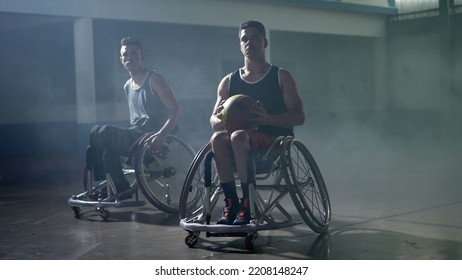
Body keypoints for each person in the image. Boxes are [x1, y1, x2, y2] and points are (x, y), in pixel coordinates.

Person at [210, 20, 305, 225]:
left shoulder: (281, 76)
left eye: (255, 38)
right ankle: (231, 203)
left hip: (273, 143)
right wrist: (217, 120)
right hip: (240, 144)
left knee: (238, 136)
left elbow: (299, 116)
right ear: (240, 45)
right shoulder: (228, 81)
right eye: (244, 39)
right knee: (217, 138)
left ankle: (247, 205)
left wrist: (268, 118)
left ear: (265, 42)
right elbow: (213, 117)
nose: (249, 42)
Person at [86, 37, 181, 200]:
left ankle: (117, 187)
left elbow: (176, 110)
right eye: (126, 55)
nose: (130, 57)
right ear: (121, 60)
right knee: (98, 148)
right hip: (137, 136)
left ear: (141, 56)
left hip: (155, 137)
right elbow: (135, 122)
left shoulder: (155, 80)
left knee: (98, 132)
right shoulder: (127, 85)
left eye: (134, 54)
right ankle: (117, 187)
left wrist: (162, 135)